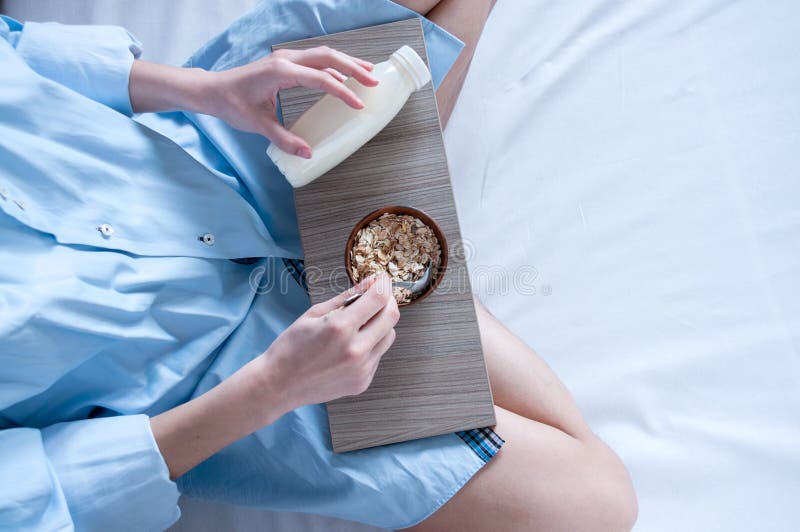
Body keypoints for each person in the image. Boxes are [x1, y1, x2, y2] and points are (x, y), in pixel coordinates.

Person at [0, 0, 637, 530]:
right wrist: (276, 387)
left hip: (221, 148)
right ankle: (405, 256)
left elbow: (20, 55)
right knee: (595, 502)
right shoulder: (258, 386)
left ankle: (397, 243)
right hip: (227, 380)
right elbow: (41, 492)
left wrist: (212, 90)